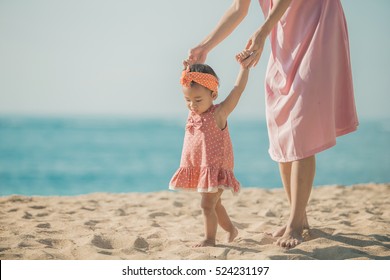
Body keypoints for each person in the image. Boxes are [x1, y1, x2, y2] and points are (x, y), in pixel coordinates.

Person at [186, 0, 359, 248]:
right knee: (282, 124)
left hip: (316, 23)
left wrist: (263, 31)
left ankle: (296, 224)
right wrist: (205, 45)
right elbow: (239, 9)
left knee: (301, 127)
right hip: (284, 34)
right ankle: (299, 216)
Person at [169, 58, 250, 247]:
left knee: (207, 205)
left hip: (216, 168)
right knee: (215, 204)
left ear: (213, 94)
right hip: (202, 169)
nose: (192, 105)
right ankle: (231, 230)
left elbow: (237, 90)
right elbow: (189, 81)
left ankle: (209, 239)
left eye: (198, 100)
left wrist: (244, 68)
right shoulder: (194, 112)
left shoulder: (219, 113)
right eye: (187, 100)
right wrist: (187, 69)